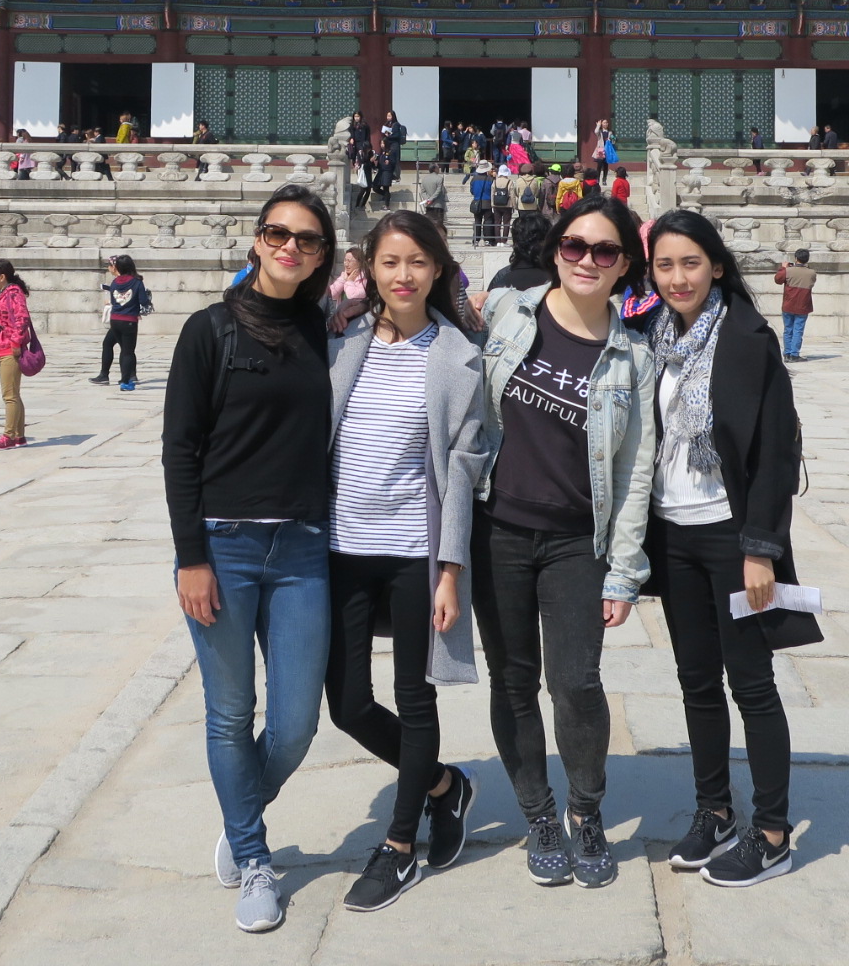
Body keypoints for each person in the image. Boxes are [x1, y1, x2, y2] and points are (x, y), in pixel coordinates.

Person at [165, 185, 337, 934]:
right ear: (257, 240)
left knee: (296, 723)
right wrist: (190, 557)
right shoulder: (210, 330)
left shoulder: (330, 332)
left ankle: (240, 819)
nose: (289, 246)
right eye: (277, 233)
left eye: (306, 238)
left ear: (323, 255)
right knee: (231, 713)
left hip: (302, 548)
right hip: (224, 546)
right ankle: (255, 856)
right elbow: (180, 448)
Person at [472, 195, 657, 890]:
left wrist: (625, 572)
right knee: (513, 681)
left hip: (579, 541)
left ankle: (585, 809)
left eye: (604, 251)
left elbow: (636, 470)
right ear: (555, 251)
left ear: (623, 266)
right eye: (574, 246)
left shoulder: (633, 357)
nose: (587, 260)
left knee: (576, 683)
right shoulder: (505, 313)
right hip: (497, 530)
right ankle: (538, 814)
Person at [323, 210, 489, 912]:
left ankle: (398, 846)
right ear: (368, 267)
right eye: (390, 261)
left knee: (415, 697)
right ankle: (446, 786)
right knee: (348, 705)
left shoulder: (459, 355)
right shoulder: (340, 342)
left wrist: (450, 569)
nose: (403, 275)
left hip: (414, 553)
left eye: (417, 261)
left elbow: (465, 468)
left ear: (438, 269)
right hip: (341, 548)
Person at [643, 209, 805, 887]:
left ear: (715, 265)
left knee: (752, 682)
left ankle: (772, 833)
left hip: (729, 534)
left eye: (690, 263)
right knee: (696, 680)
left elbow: (774, 451)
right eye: (664, 265)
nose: (678, 278)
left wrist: (760, 549)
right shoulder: (655, 335)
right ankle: (714, 811)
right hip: (673, 531)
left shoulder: (746, 339)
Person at [0, 262, 34, 450]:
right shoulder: (5, 292)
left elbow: (22, 318)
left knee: (9, 395)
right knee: (14, 394)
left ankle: (9, 436)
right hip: (2, 348)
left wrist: (15, 342)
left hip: (9, 349)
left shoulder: (13, 293)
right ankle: (19, 435)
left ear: (2, 276)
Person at [94, 255, 153, 391]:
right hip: (129, 321)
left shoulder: (115, 282)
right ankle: (126, 381)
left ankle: (109, 375)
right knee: (127, 352)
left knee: (115, 346)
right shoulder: (137, 282)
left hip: (115, 319)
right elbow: (143, 301)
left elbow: (115, 301)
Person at [772, 250, 816, 363]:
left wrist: (783, 268)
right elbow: (812, 283)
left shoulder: (788, 271)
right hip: (803, 306)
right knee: (798, 331)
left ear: (796, 258)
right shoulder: (811, 273)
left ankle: (787, 354)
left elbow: (777, 280)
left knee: (788, 330)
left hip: (788, 305)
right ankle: (794, 354)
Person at [325, 249, 368, 335]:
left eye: (350, 261)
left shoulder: (365, 278)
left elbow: (352, 296)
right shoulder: (344, 276)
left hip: (356, 322)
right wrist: (343, 280)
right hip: (340, 319)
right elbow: (332, 294)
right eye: (345, 260)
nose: (346, 264)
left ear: (359, 262)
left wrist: (349, 281)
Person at [378, 110, 407, 190]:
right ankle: (391, 176)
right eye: (387, 116)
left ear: (393, 116)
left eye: (390, 116)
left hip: (394, 145)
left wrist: (389, 135)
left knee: (395, 160)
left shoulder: (396, 124)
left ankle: (396, 176)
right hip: (389, 145)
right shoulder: (387, 124)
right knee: (389, 160)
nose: (388, 117)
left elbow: (396, 135)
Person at [468, 162, 495, 244]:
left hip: (477, 202)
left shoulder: (474, 179)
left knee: (477, 221)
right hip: (487, 202)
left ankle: (476, 239)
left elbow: (472, 191)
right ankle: (488, 240)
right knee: (488, 221)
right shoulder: (490, 179)